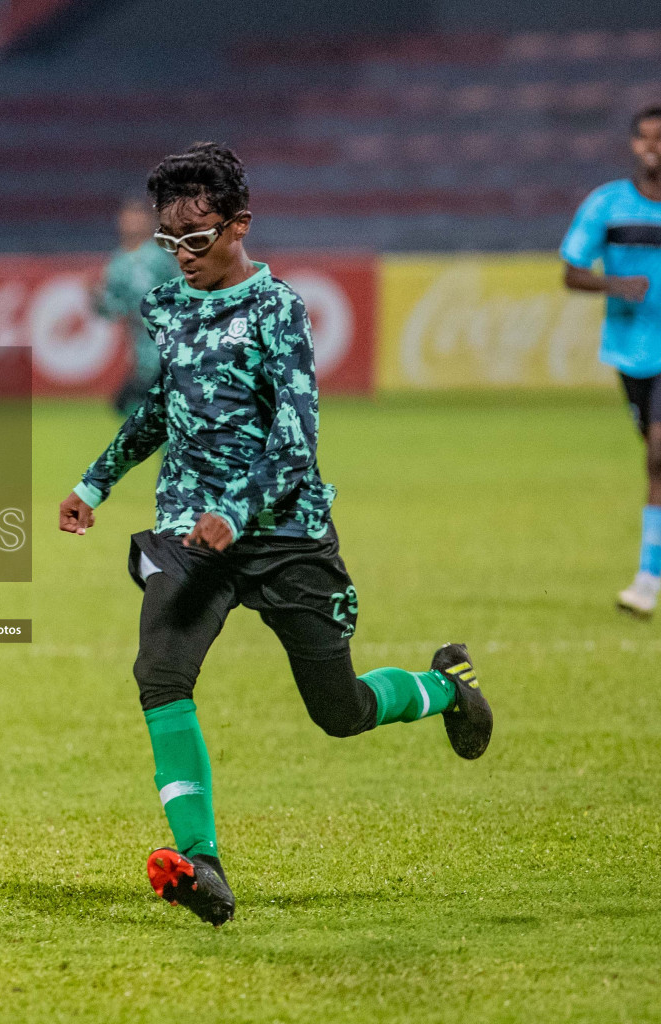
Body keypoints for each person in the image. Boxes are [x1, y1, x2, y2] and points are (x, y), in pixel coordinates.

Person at [56, 143, 493, 927]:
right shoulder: (167, 304)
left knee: (341, 710)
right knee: (160, 674)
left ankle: (445, 688)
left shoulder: (279, 311)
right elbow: (162, 407)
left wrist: (238, 510)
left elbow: (296, 443)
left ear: (239, 227)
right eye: (168, 241)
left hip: (284, 533)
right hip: (190, 532)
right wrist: (96, 482)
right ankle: (202, 860)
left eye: (194, 239)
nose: (180, 257)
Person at [562, 105, 661, 617]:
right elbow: (571, 271)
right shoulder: (609, 204)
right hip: (632, 351)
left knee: (659, 456)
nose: (653, 148)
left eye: (660, 139)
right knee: (654, 453)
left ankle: (647, 580)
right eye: (645, 140)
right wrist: (614, 284)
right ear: (632, 144)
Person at [94, 194, 180, 414]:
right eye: (128, 216)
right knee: (131, 407)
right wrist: (96, 299)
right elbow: (113, 309)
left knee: (142, 408)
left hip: (168, 350)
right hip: (142, 354)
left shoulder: (162, 256)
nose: (131, 221)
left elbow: (185, 293)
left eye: (137, 216)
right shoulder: (117, 263)